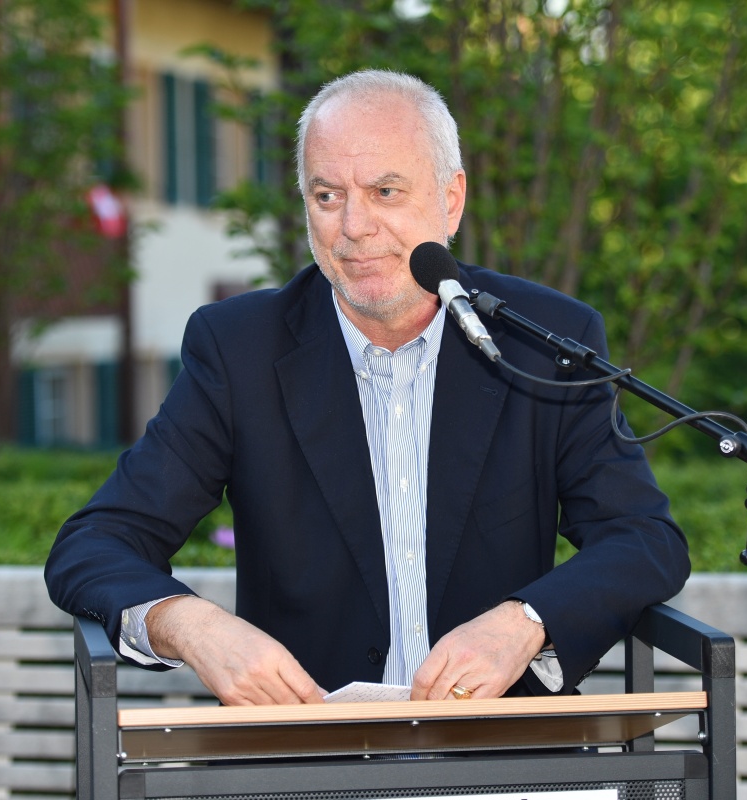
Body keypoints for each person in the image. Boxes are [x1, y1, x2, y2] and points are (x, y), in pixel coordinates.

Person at [44, 69, 689, 706]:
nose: (354, 226)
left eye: (385, 191)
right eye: (327, 196)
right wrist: (193, 625)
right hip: (307, 748)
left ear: (451, 199)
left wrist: (525, 622)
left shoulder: (544, 340)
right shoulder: (240, 349)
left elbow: (644, 538)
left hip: (495, 742)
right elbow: (94, 545)